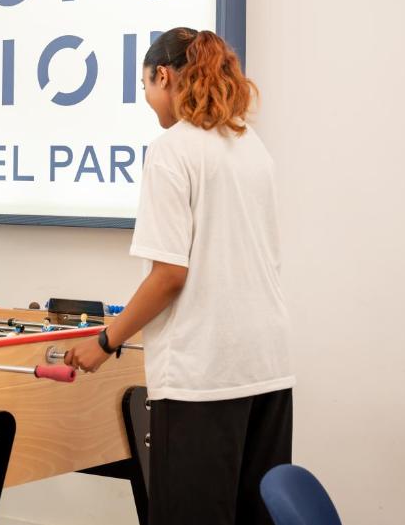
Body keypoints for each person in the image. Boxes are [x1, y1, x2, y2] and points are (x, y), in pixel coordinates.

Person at [65, 28, 294, 525]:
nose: (148, 99)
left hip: (204, 373)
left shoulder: (173, 149)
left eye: (146, 85)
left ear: (163, 76)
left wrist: (105, 343)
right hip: (268, 365)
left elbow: (170, 274)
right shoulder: (250, 144)